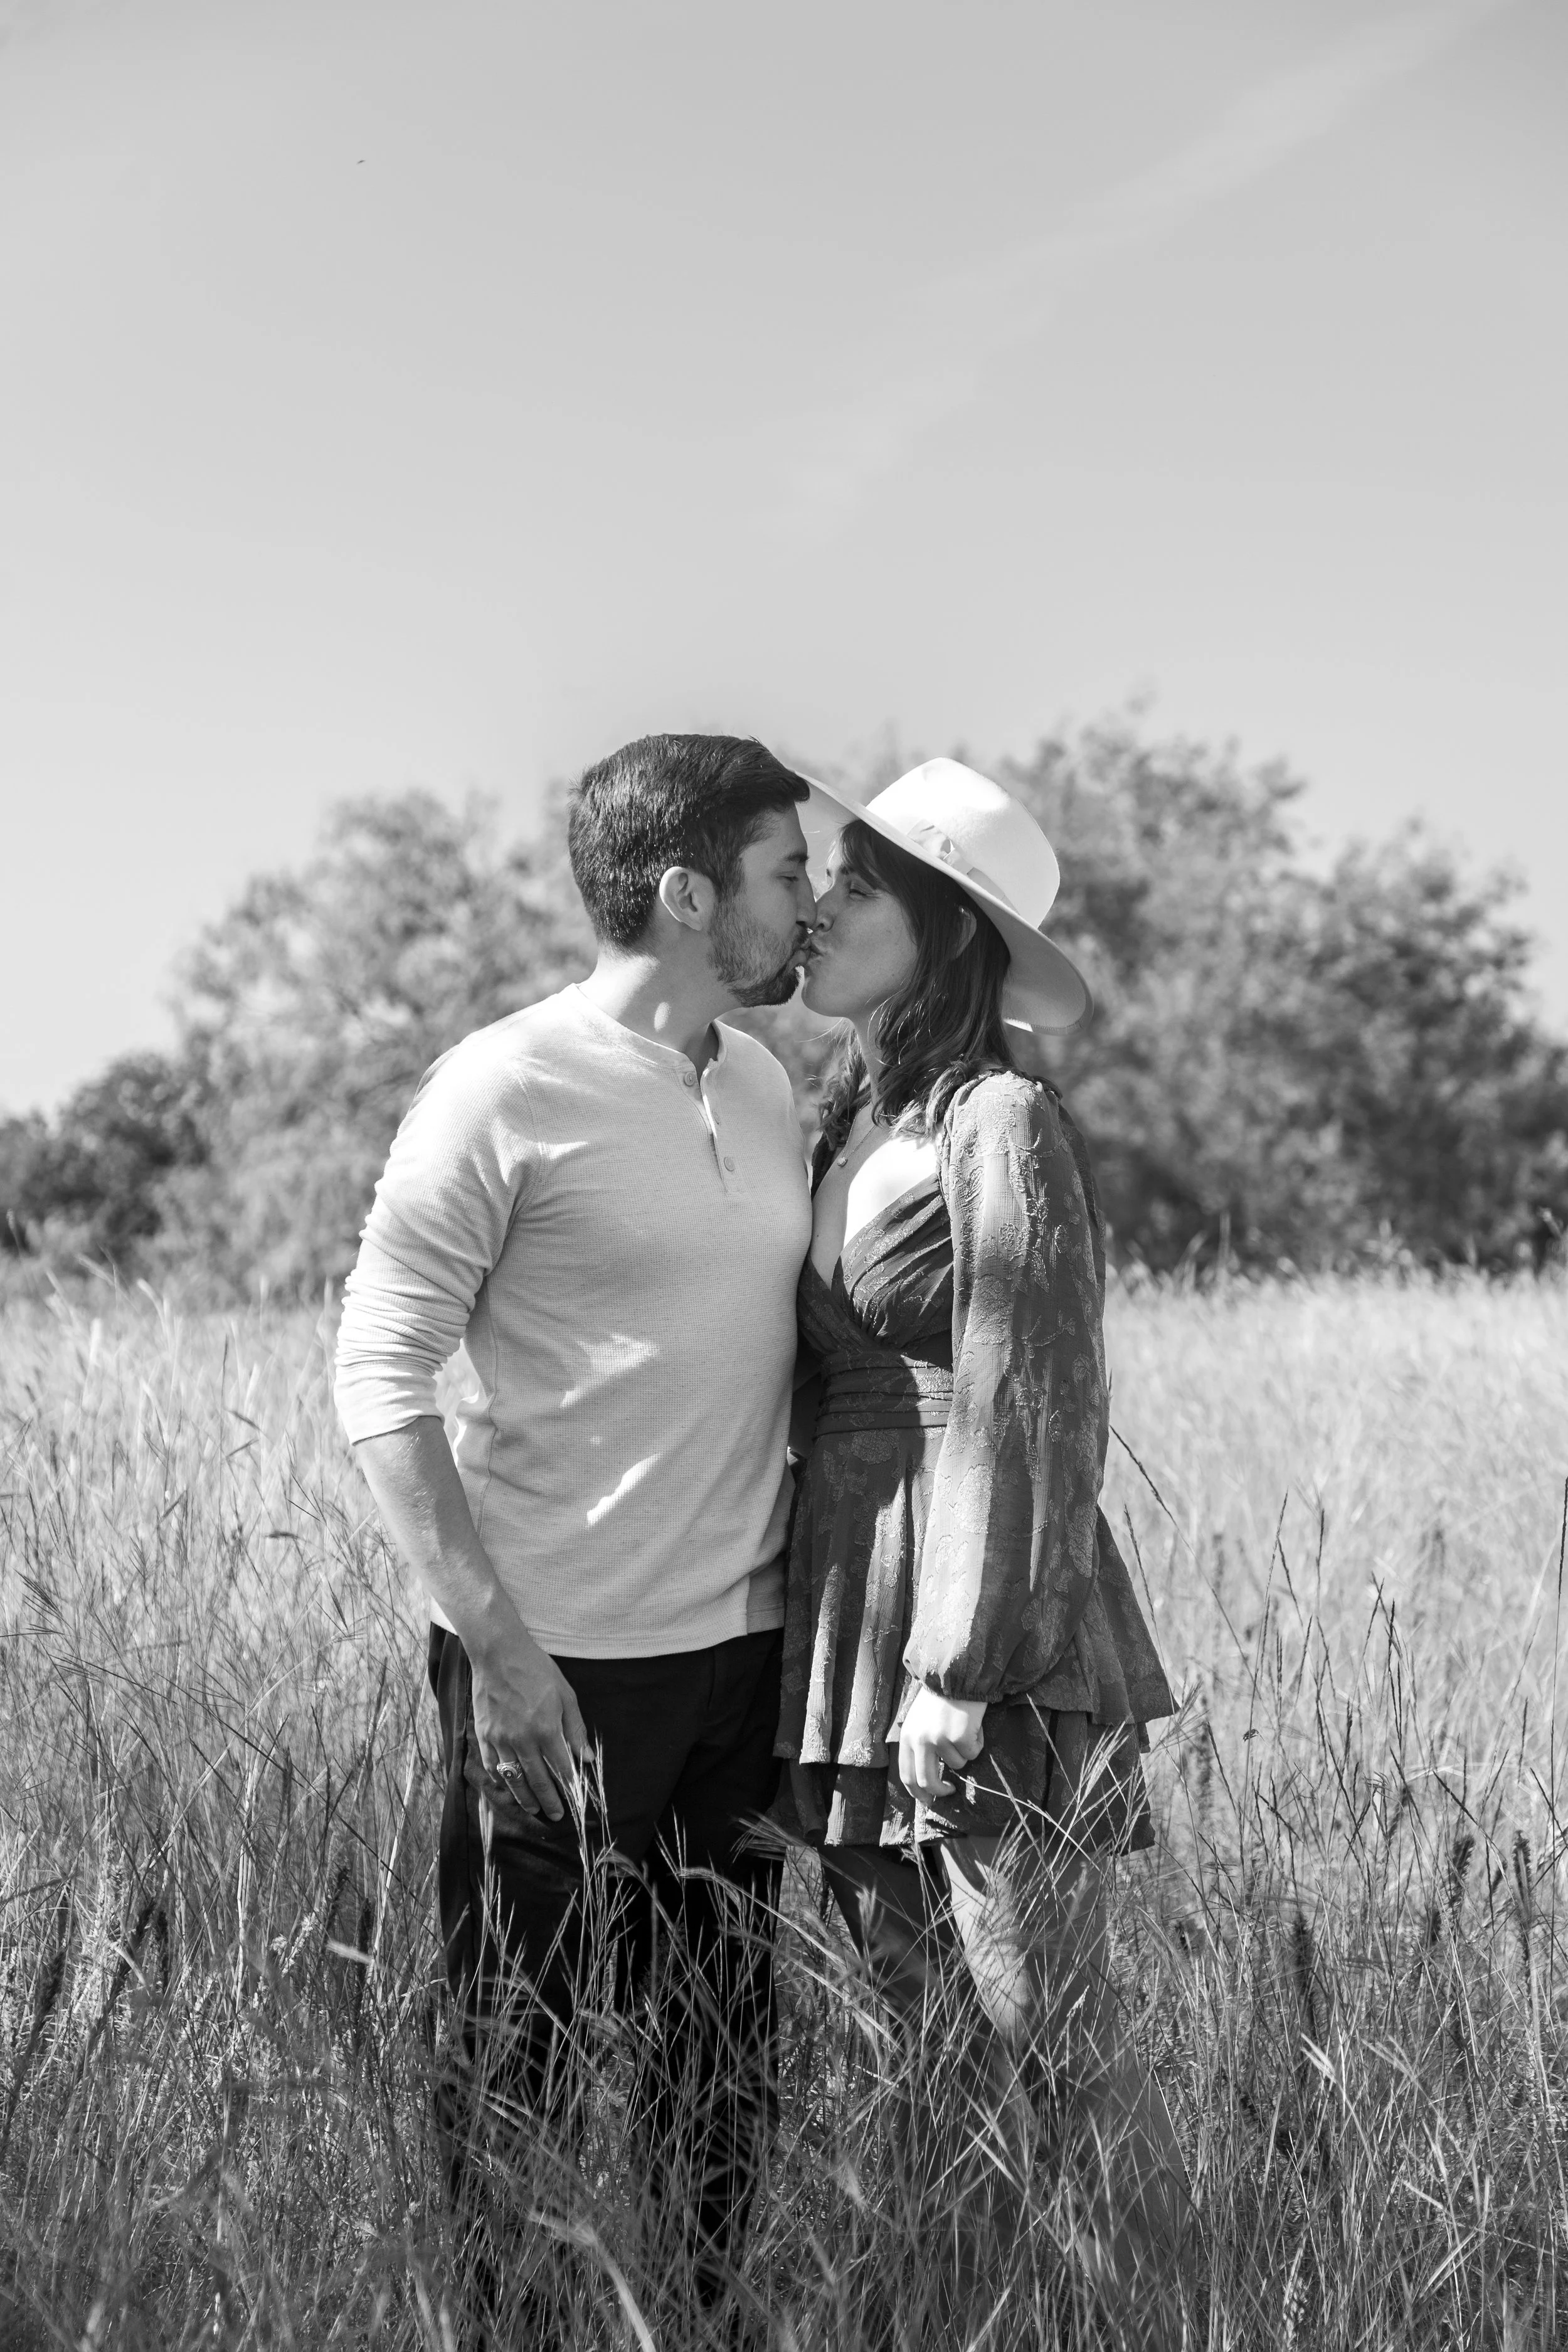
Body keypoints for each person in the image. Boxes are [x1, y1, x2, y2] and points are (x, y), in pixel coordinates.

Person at [334, 734, 818, 2337]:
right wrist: (499, 1653)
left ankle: (699, 2315)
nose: (804, 905)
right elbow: (376, 1372)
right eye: (782, 870)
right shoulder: (499, 1087)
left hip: (739, 1670)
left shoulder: (764, 1084)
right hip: (558, 1674)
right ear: (686, 894)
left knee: (719, 2073)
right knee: (515, 2067)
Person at [775, 758, 1187, 2334]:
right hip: (848, 1616)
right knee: (911, 2067)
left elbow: (1035, 1401)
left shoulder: (1000, 1118)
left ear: (948, 936)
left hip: (981, 1625)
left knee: (1044, 2056)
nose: (816, 907)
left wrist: (959, 1665)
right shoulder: (841, 1122)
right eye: (817, 875)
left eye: (858, 887)